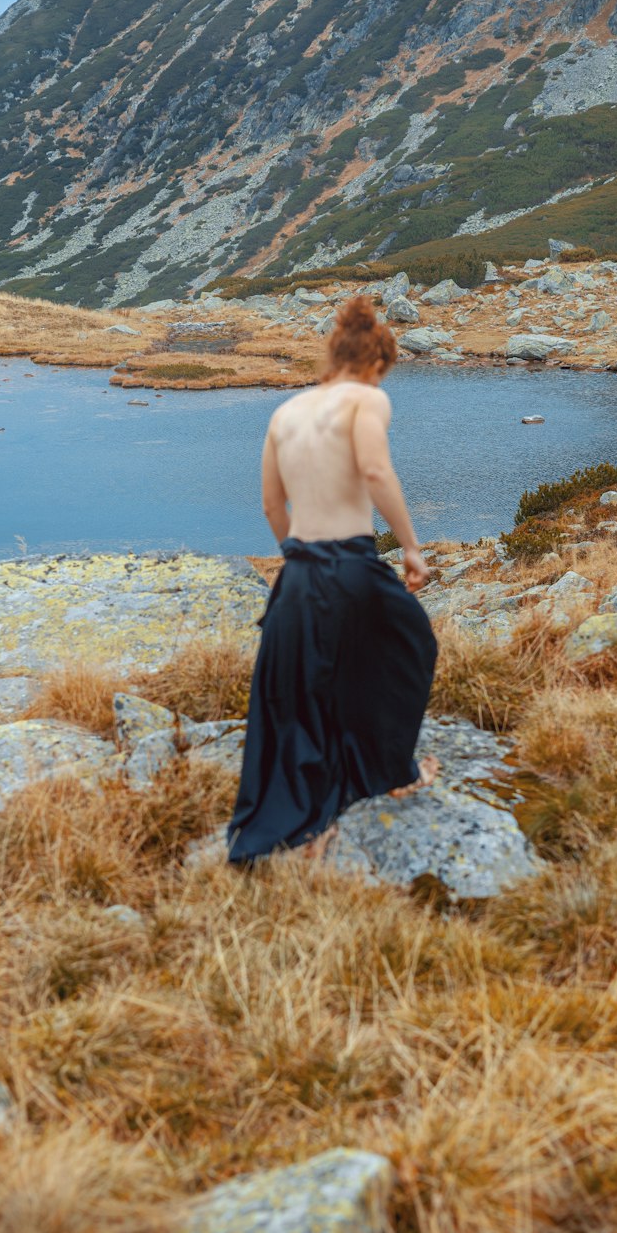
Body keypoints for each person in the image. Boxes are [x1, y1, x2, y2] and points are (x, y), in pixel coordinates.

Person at [226, 295, 439, 865]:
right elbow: (374, 469)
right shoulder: (367, 399)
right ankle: (392, 772)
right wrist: (412, 548)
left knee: (301, 686)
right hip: (351, 564)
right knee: (408, 648)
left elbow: (273, 506)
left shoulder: (285, 414)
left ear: (334, 355)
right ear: (376, 365)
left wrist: (299, 558)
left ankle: (293, 816)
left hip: (298, 572)